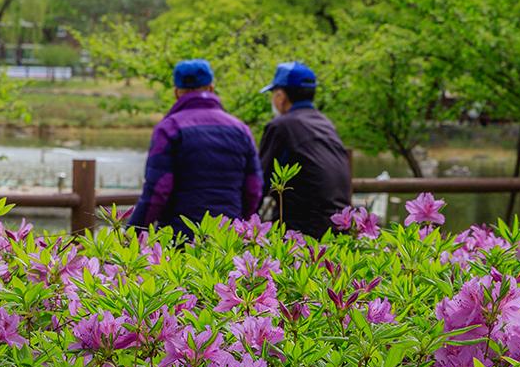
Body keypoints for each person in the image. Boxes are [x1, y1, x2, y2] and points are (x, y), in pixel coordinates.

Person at [127, 59, 263, 237]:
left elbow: (158, 190)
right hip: (228, 239)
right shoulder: (240, 129)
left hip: (181, 237)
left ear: (176, 92)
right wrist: (241, 225)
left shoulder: (169, 128)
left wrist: (132, 234)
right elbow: (254, 188)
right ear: (211, 88)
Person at [258, 62, 352, 238]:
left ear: (280, 96)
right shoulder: (325, 124)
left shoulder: (281, 126)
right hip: (338, 230)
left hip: (301, 235)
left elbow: (258, 182)